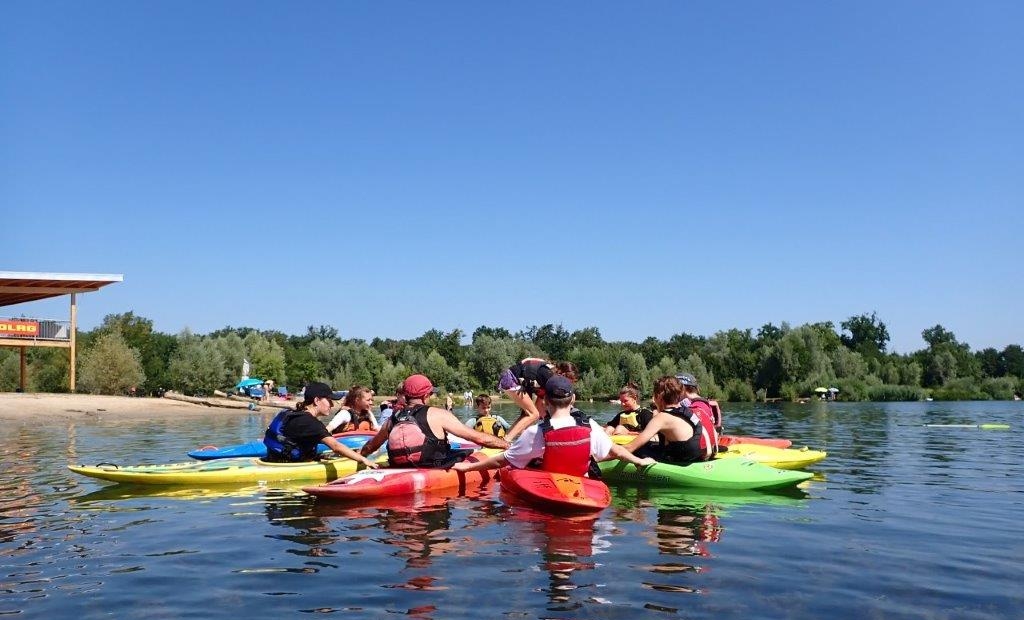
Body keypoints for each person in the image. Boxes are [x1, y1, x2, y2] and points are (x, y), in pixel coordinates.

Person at [453, 376, 655, 476]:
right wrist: (638, 461)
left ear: (546, 401)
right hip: (582, 485)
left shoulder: (536, 431)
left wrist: (468, 467)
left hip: (547, 484)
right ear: (573, 399)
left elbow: (503, 460)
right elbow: (616, 450)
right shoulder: (590, 425)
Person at [358, 374, 509, 468]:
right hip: (433, 467)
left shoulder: (393, 418)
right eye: (430, 394)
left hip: (399, 466)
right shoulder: (438, 414)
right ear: (425, 396)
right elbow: (478, 438)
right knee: (471, 452)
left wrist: (359, 457)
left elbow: (371, 446)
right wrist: (508, 446)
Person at [263, 381, 380, 467]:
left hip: (273, 460)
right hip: (288, 467)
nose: (332, 405)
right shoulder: (311, 423)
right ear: (317, 400)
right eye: (329, 400)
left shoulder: (293, 414)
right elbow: (336, 447)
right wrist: (363, 459)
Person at [619, 376, 719, 464]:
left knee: (637, 450)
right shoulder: (689, 411)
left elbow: (630, 448)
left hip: (684, 461)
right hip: (702, 456)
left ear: (659, 397)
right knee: (651, 445)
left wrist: (610, 450)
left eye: (653, 396)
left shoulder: (662, 418)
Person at [500, 359, 579, 441]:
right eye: (571, 381)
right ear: (563, 375)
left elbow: (539, 404)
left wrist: (545, 421)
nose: (569, 384)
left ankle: (506, 438)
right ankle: (506, 441)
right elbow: (541, 407)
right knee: (533, 414)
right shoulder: (549, 377)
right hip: (511, 379)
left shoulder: (550, 375)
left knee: (527, 415)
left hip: (512, 378)